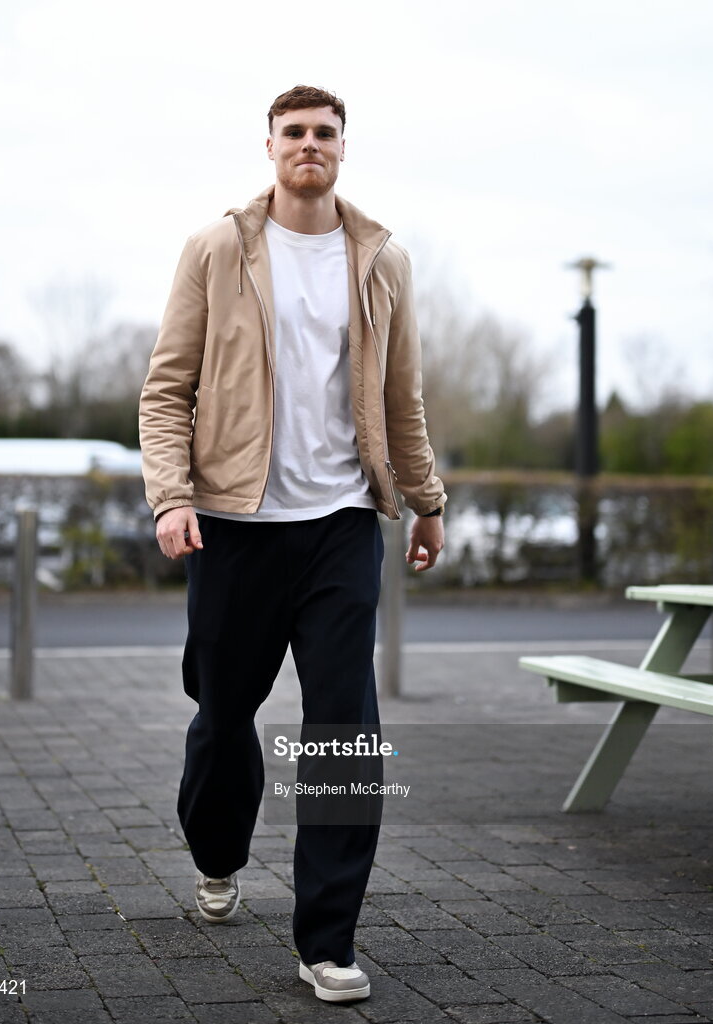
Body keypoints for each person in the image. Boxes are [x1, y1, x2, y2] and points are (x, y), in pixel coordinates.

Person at [138, 84, 446, 1004]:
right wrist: (170, 498)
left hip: (344, 527)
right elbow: (165, 392)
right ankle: (218, 853)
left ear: (343, 149)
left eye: (324, 134)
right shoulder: (217, 249)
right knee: (224, 710)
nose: (309, 145)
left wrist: (426, 500)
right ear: (269, 145)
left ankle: (328, 942)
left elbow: (402, 398)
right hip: (235, 526)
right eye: (294, 133)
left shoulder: (381, 259)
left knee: (345, 730)